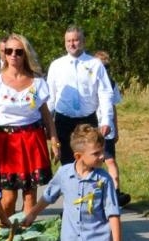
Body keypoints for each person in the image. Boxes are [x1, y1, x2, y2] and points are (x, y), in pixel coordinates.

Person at [0, 34, 55, 221]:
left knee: (30, 195)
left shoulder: (37, 82)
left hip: (32, 139)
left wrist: (54, 140)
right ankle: (5, 237)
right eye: (9, 51)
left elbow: (46, 116)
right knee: (8, 197)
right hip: (7, 144)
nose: (13, 55)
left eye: (18, 52)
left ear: (25, 54)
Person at [46, 25, 115, 167]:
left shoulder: (95, 64)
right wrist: (47, 123)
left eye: (75, 40)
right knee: (67, 163)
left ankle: (88, 189)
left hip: (87, 120)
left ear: (83, 41)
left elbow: (105, 93)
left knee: (89, 162)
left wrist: (106, 120)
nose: (72, 44)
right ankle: (71, 189)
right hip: (63, 121)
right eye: (68, 41)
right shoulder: (56, 65)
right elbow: (50, 97)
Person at [92, 50, 128, 208]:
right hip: (93, 126)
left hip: (108, 128)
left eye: (106, 67)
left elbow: (113, 107)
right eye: (101, 67)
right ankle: (95, 192)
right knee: (94, 161)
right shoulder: (89, 82)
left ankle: (116, 192)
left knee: (110, 160)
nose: (104, 71)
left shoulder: (112, 84)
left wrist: (116, 129)